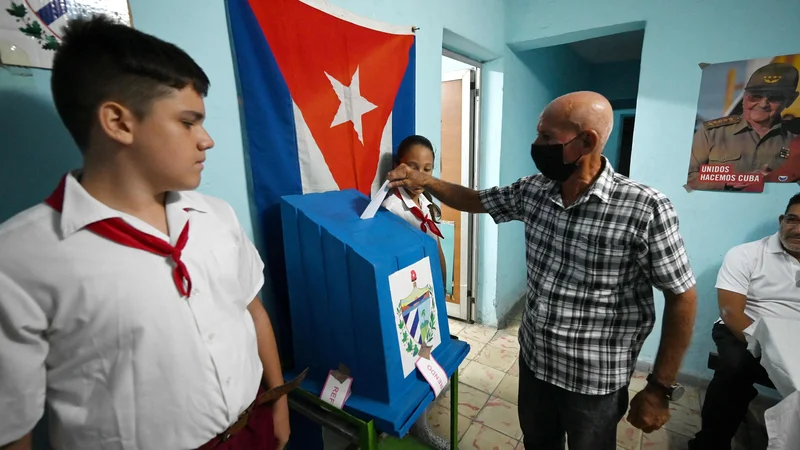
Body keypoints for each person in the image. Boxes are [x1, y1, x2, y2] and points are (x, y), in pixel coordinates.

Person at [0, 16, 293, 450]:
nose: (207, 140)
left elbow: (253, 312)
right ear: (118, 122)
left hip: (255, 428)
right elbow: (12, 427)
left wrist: (278, 406)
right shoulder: (23, 257)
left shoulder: (216, 216)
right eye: (188, 122)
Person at [387, 91, 698, 450]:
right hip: (535, 363)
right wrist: (426, 182)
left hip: (594, 381)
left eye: (547, 137)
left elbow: (682, 296)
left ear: (587, 141)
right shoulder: (533, 190)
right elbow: (475, 199)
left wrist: (659, 388)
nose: (536, 144)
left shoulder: (645, 208)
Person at [689, 193, 800, 450]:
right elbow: (731, 312)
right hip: (745, 330)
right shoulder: (746, 255)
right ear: (782, 220)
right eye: (792, 220)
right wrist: (769, 348)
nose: (797, 229)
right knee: (734, 369)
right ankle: (710, 444)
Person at [381, 135, 449, 450]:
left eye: (427, 168)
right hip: (411, 297)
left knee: (428, 353)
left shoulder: (422, 201)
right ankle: (415, 426)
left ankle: (420, 415)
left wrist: (444, 283)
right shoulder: (392, 207)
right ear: (398, 166)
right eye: (412, 166)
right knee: (416, 358)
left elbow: (434, 244)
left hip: (429, 290)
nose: (419, 175)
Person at [687, 62, 800, 191]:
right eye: (756, 96)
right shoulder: (712, 133)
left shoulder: (796, 138)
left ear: (791, 99)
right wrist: (735, 179)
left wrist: (773, 178)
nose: (763, 104)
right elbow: (689, 178)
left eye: (775, 97)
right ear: (745, 95)